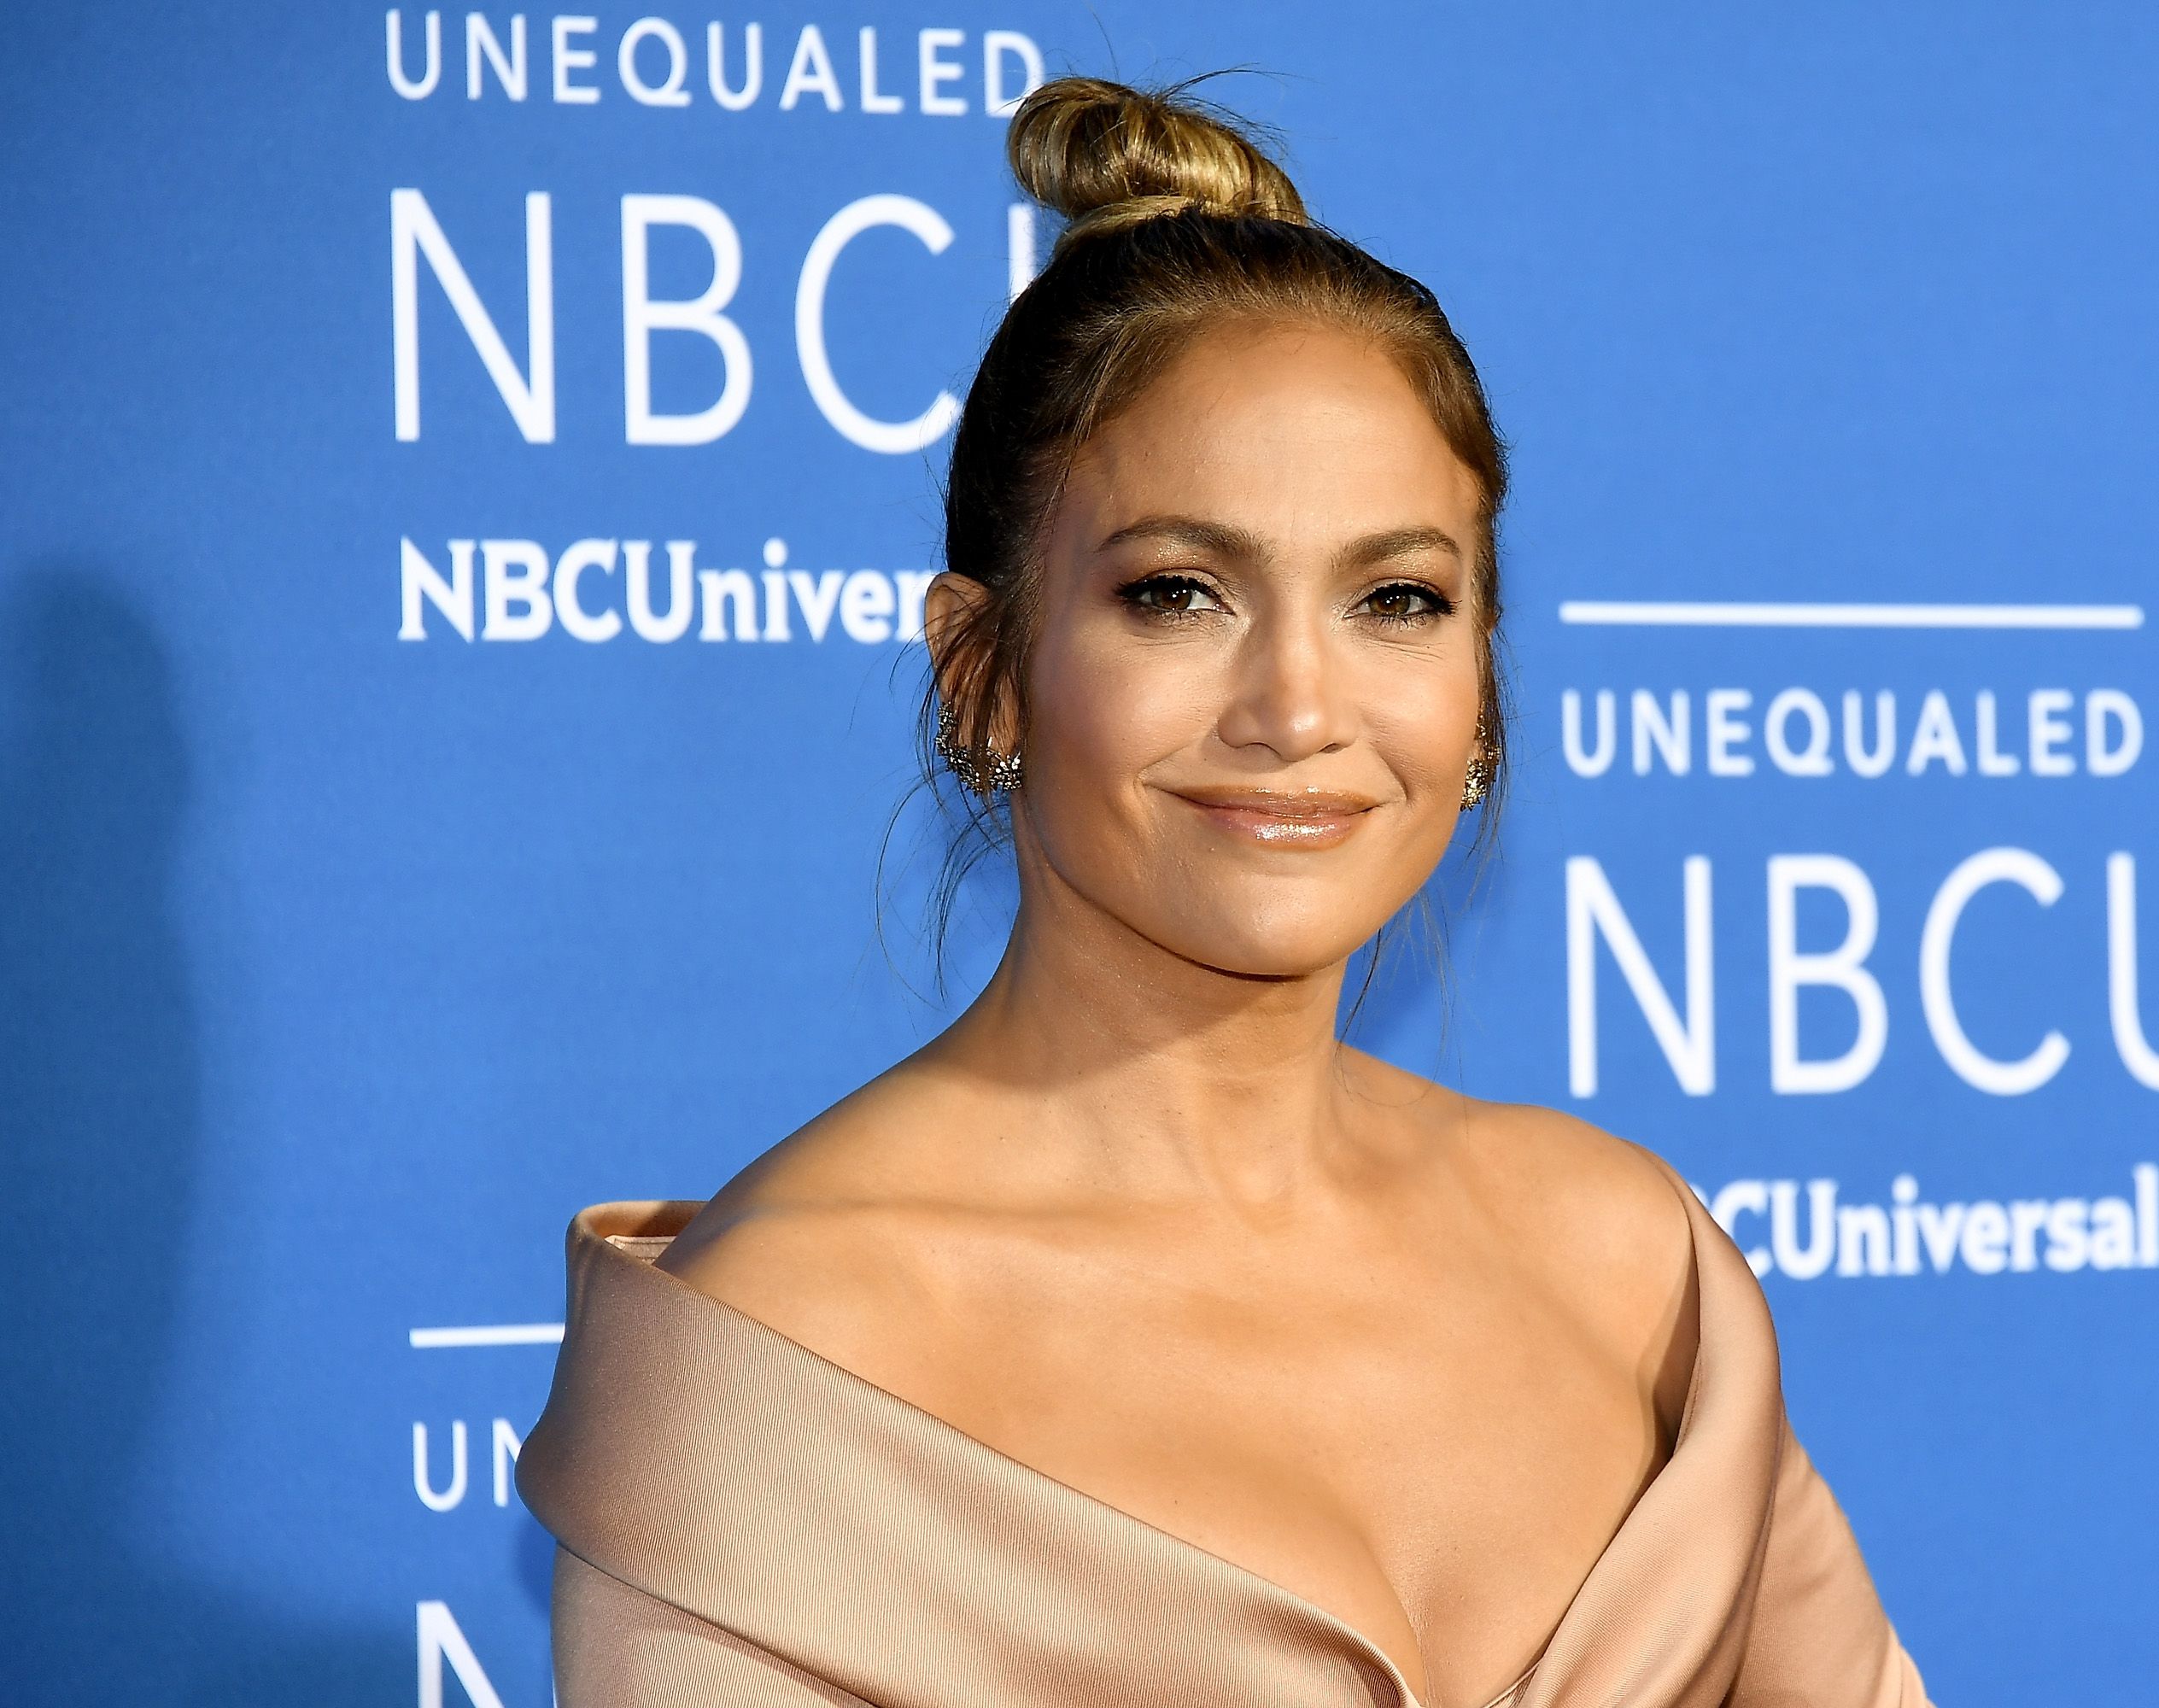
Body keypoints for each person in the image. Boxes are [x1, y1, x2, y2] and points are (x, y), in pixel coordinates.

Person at [518, 77, 1929, 1708]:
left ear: (1479, 682)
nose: (1299, 707)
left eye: (1396, 598)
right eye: (1179, 593)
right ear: (983, 676)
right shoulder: (795, 1349)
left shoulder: (1637, 1267)